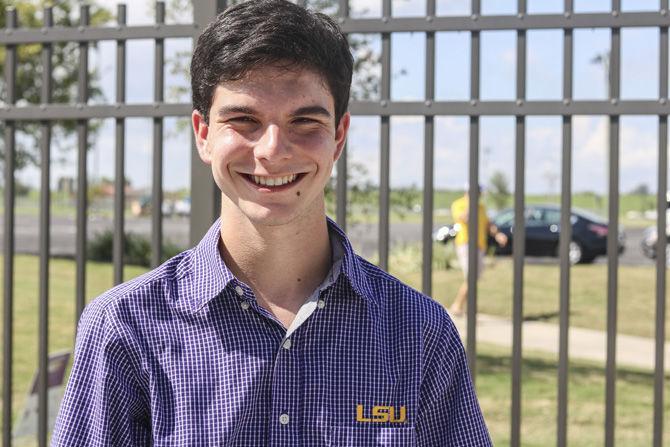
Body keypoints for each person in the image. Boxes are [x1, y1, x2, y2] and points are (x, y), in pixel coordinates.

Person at [53, 1, 492, 445]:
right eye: (244, 119)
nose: (273, 150)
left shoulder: (419, 333)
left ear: (338, 137)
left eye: (304, 120)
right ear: (203, 134)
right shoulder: (126, 327)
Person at [448, 185, 508, 317]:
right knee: (471, 277)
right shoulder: (459, 204)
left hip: (480, 246)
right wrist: (470, 203)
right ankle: (458, 306)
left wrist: (497, 235)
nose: (480, 195)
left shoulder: (481, 207)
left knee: (474, 278)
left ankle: (463, 307)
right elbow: (463, 218)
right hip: (465, 244)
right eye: (478, 193)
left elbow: (488, 224)